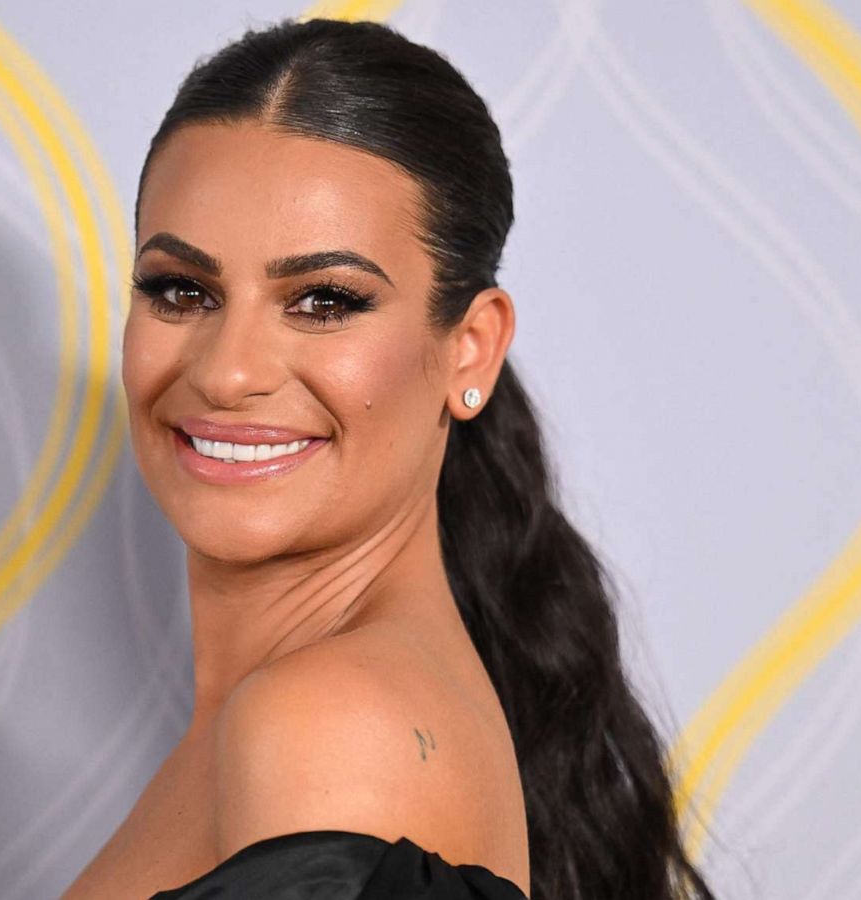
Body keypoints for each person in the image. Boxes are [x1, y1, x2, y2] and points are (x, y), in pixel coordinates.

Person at [60, 16, 717, 900]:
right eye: (183, 290)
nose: (227, 371)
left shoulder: (328, 728)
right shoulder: (324, 712)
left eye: (325, 301)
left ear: (470, 350)